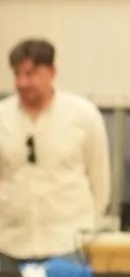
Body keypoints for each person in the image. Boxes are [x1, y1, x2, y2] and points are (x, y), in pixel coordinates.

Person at [0, 39, 111, 268]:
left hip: (67, 244)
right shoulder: (3, 117)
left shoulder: (83, 115)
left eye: (30, 74)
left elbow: (100, 181)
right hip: (10, 244)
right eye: (17, 74)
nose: (22, 82)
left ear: (52, 72)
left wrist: (89, 228)